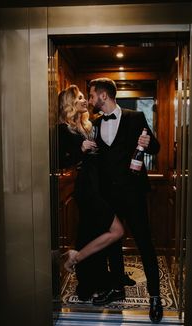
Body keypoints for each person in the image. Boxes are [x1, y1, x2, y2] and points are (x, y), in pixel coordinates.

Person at [88, 78, 163, 323]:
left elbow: (155, 148)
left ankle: (154, 296)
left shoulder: (136, 117)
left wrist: (148, 143)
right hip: (109, 197)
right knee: (112, 245)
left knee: (144, 243)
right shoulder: (96, 124)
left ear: (103, 96)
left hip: (134, 195)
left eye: (92, 95)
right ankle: (117, 287)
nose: (91, 100)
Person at [58, 85, 132, 301]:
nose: (85, 101)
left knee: (92, 233)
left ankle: (92, 281)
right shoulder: (62, 129)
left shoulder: (86, 126)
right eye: (80, 98)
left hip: (98, 187)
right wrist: (79, 152)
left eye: (85, 97)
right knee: (115, 230)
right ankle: (76, 259)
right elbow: (58, 161)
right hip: (87, 189)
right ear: (70, 104)